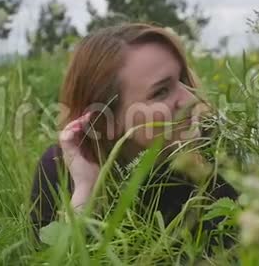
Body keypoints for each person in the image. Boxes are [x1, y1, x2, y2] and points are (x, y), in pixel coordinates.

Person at [29, 23, 238, 241]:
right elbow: (52, 258)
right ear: (105, 120)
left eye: (182, 79)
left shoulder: (217, 148)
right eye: (161, 92)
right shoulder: (60, 169)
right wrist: (85, 192)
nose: (191, 99)